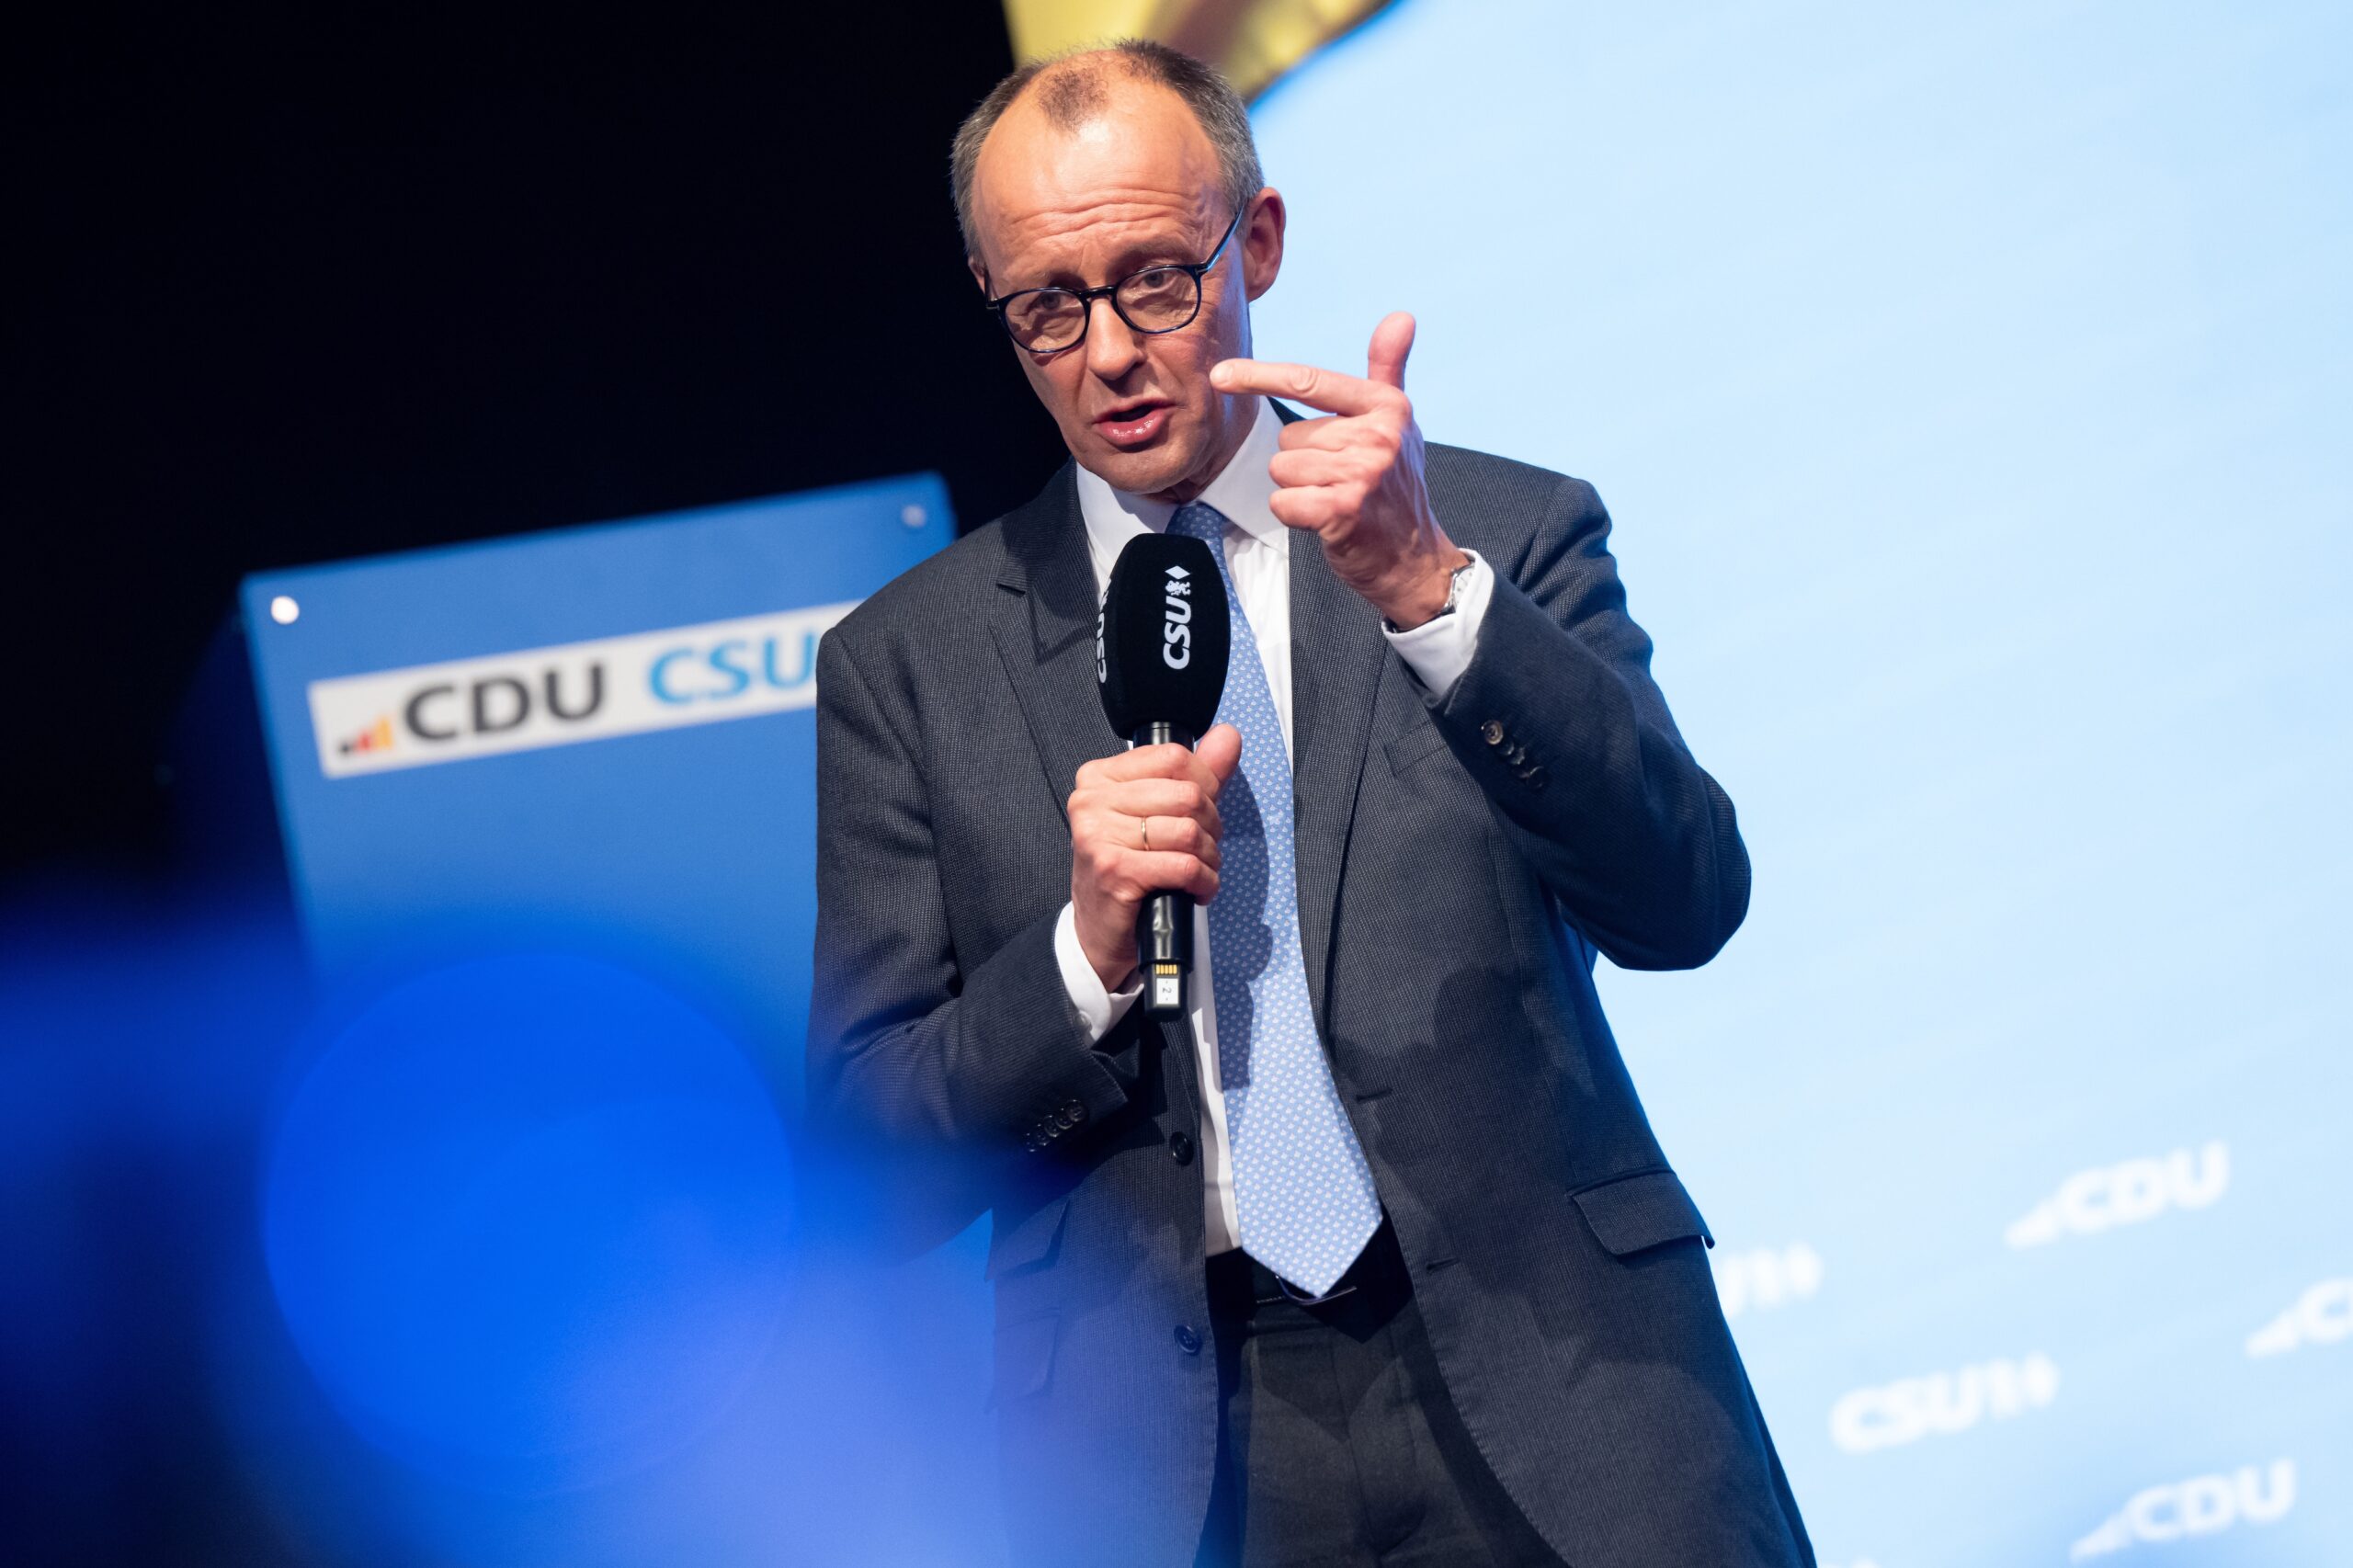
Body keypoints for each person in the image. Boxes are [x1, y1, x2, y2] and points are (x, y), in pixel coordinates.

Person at [808, 39, 1813, 1568]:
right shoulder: (908, 666)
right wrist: (1078, 958)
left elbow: (1686, 900)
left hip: (1566, 1385)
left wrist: (1431, 601)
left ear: (1257, 242)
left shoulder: (1494, 532)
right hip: (1172, 1462)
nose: (1112, 352)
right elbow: (865, 1162)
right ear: (995, 303)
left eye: (1158, 277)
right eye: (1049, 307)